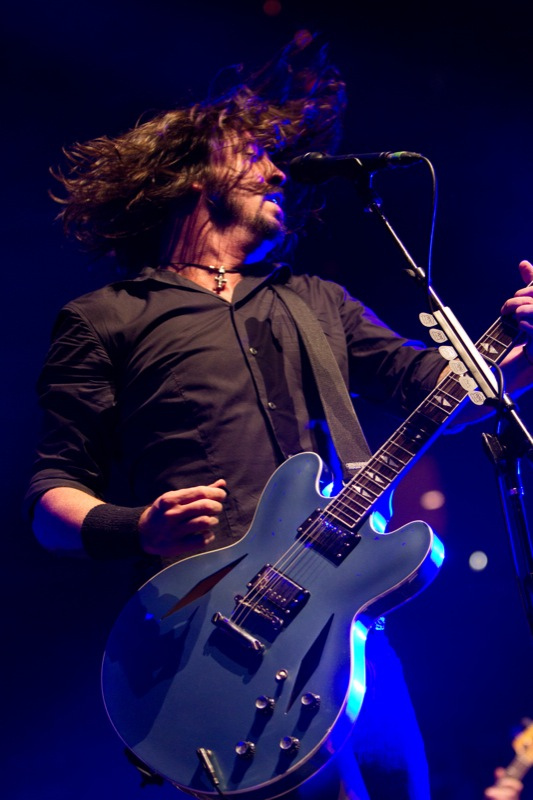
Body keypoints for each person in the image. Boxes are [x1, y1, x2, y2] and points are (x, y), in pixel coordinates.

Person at [24, 35, 533, 800]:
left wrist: (519, 353)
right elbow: (50, 499)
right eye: (254, 154)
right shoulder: (106, 317)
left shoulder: (315, 299)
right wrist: (138, 526)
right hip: (212, 643)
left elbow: (438, 392)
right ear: (193, 174)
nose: (278, 172)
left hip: (346, 634)